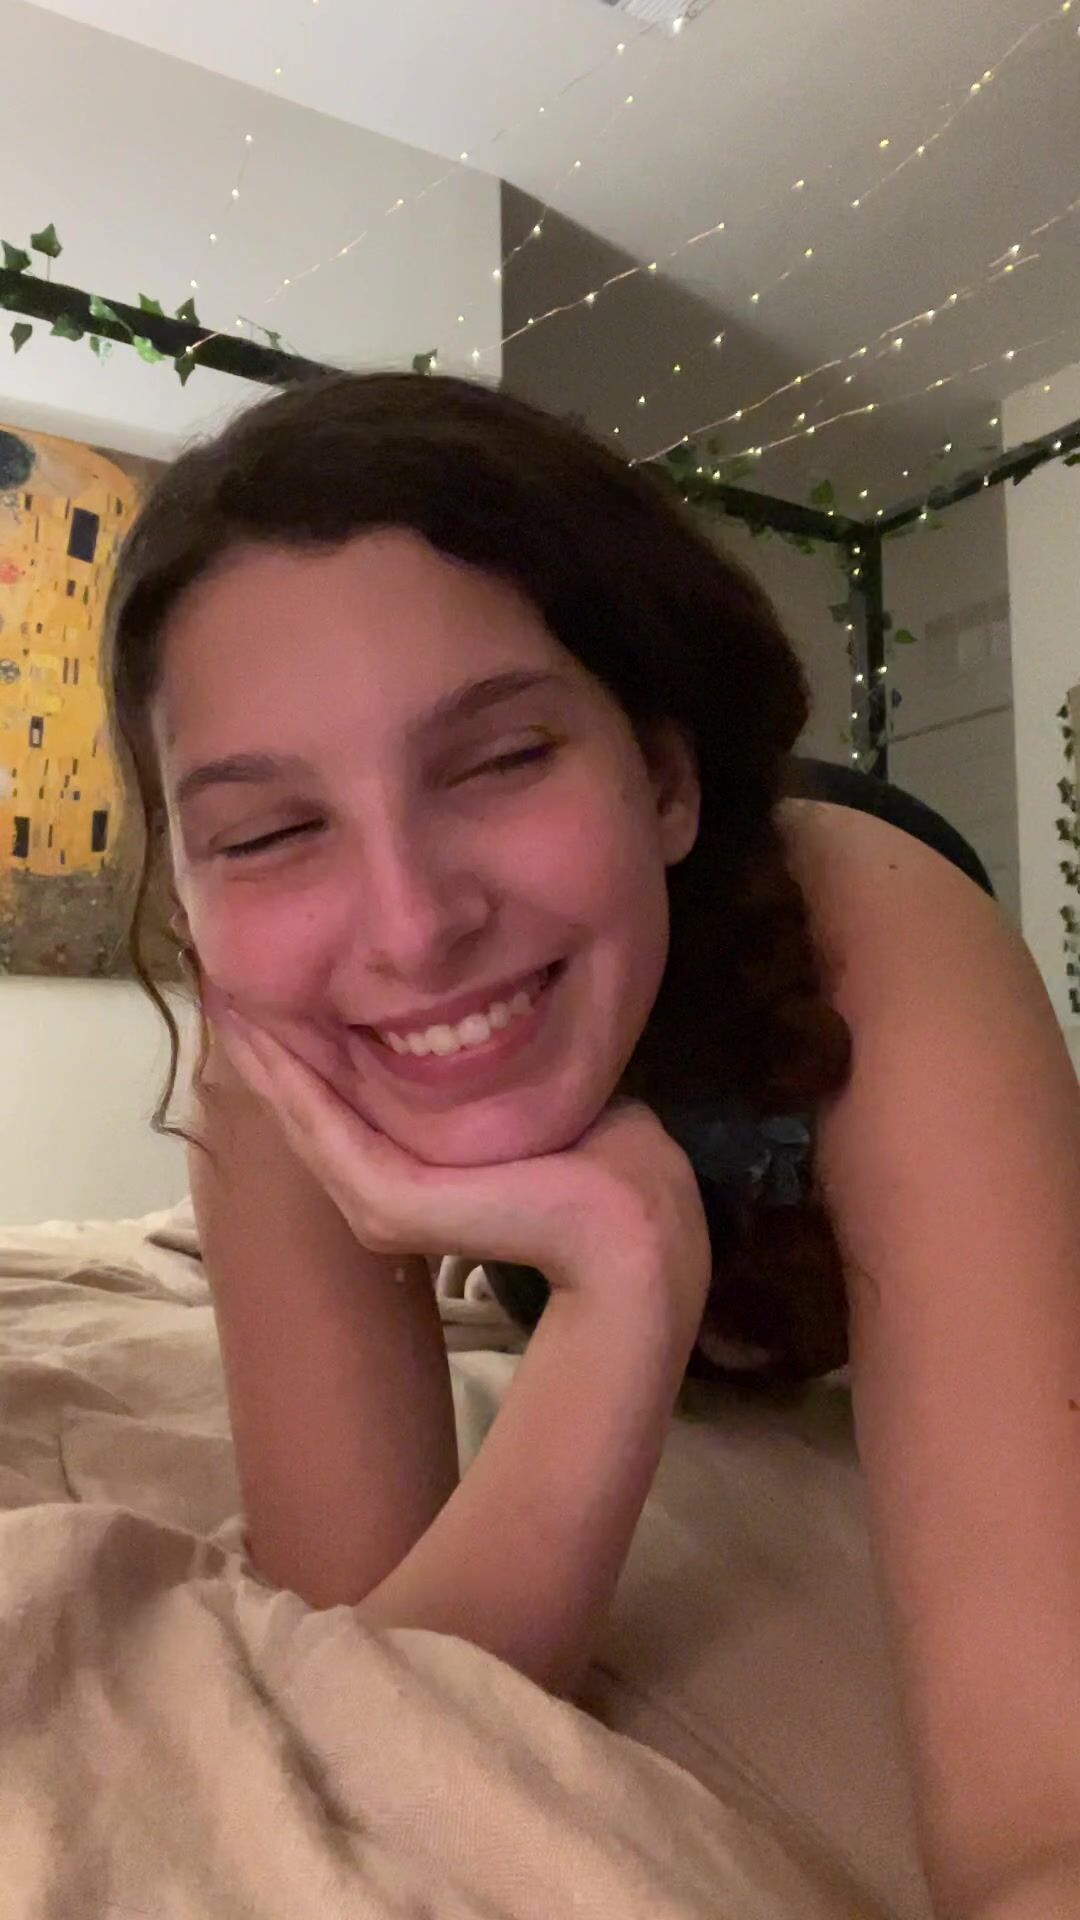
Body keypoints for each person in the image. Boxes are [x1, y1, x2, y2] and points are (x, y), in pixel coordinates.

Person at [104, 371, 1080, 1919]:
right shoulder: (278, 1034)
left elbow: (1047, 1816)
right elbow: (374, 1702)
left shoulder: (876, 931)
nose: (412, 928)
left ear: (665, 777)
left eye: (500, 760)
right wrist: (622, 1277)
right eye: (273, 832)